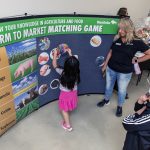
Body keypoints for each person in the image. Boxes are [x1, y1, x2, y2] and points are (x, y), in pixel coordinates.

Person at [97, 18, 150, 117]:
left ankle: (120, 106)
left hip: (124, 73)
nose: (120, 31)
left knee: (122, 91)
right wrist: (105, 66)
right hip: (111, 69)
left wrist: (137, 60)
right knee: (108, 86)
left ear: (129, 29)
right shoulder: (117, 38)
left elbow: (148, 54)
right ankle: (106, 100)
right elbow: (111, 52)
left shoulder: (136, 42)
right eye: (119, 28)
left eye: (123, 29)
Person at [52, 48, 80, 131]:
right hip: (73, 93)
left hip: (65, 95)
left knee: (64, 110)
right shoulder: (77, 72)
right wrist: (70, 53)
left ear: (66, 66)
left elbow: (54, 65)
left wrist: (54, 54)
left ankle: (68, 125)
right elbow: (74, 63)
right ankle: (67, 119)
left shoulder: (63, 72)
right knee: (68, 105)